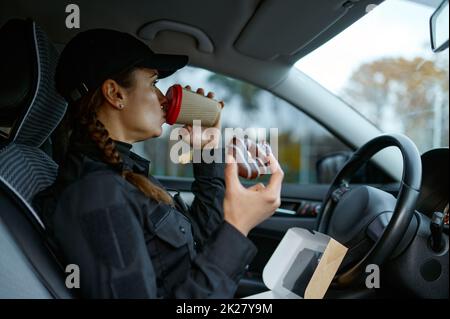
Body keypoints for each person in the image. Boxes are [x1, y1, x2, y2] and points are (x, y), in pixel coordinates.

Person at [33, 29, 284, 299]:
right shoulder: (96, 194)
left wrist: (207, 149)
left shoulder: (124, 171)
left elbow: (198, 241)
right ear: (115, 94)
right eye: (153, 84)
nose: (164, 99)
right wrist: (237, 227)